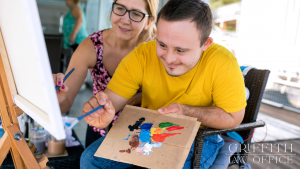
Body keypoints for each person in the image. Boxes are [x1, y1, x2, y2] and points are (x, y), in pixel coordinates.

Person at [79, 0, 246, 169]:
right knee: (89, 159)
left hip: (200, 134)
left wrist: (186, 112)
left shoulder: (223, 62)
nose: (169, 58)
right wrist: (101, 107)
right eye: (162, 45)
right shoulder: (142, 55)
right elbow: (111, 100)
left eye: (180, 50)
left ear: (205, 44)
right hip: (149, 129)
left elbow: (233, 117)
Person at [54, 0, 159, 148]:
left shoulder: (159, 50)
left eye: (136, 14)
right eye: (120, 8)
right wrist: (58, 97)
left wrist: (137, 98)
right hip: (99, 133)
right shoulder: (92, 46)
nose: (125, 19)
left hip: (142, 139)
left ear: (149, 21)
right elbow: (64, 105)